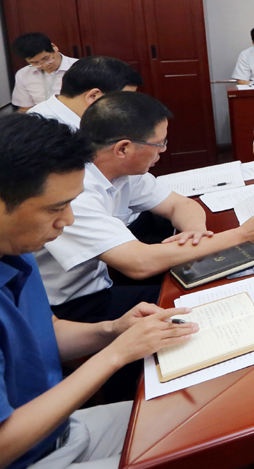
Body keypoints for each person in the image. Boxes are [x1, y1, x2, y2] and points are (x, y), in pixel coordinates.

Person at [0, 113, 198, 469]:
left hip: (59, 432)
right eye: (56, 208)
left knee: (197, 420)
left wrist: (113, 330)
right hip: (24, 454)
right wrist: (116, 354)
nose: (68, 221)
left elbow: (46, 333)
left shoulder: (17, 249)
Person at [37, 91, 254, 323]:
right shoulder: (72, 191)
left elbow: (180, 204)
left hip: (102, 281)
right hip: (72, 308)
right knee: (217, 304)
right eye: (159, 143)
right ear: (123, 148)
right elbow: (139, 263)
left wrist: (194, 233)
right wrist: (242, 235)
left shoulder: (123, 170)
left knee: (218, 284)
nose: (164, 150)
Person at [27, 56, 142, 130]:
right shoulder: (41, 128)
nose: (126, 106)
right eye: (123, 99)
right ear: (94, 96)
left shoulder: (88, 117)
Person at [10, 33, 78, 112]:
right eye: (34, 62)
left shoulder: (79, 68)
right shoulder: (23, 74)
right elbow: (25, 108)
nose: (44, 65)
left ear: (54, 47)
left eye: (46, 58)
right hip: (39, 117)